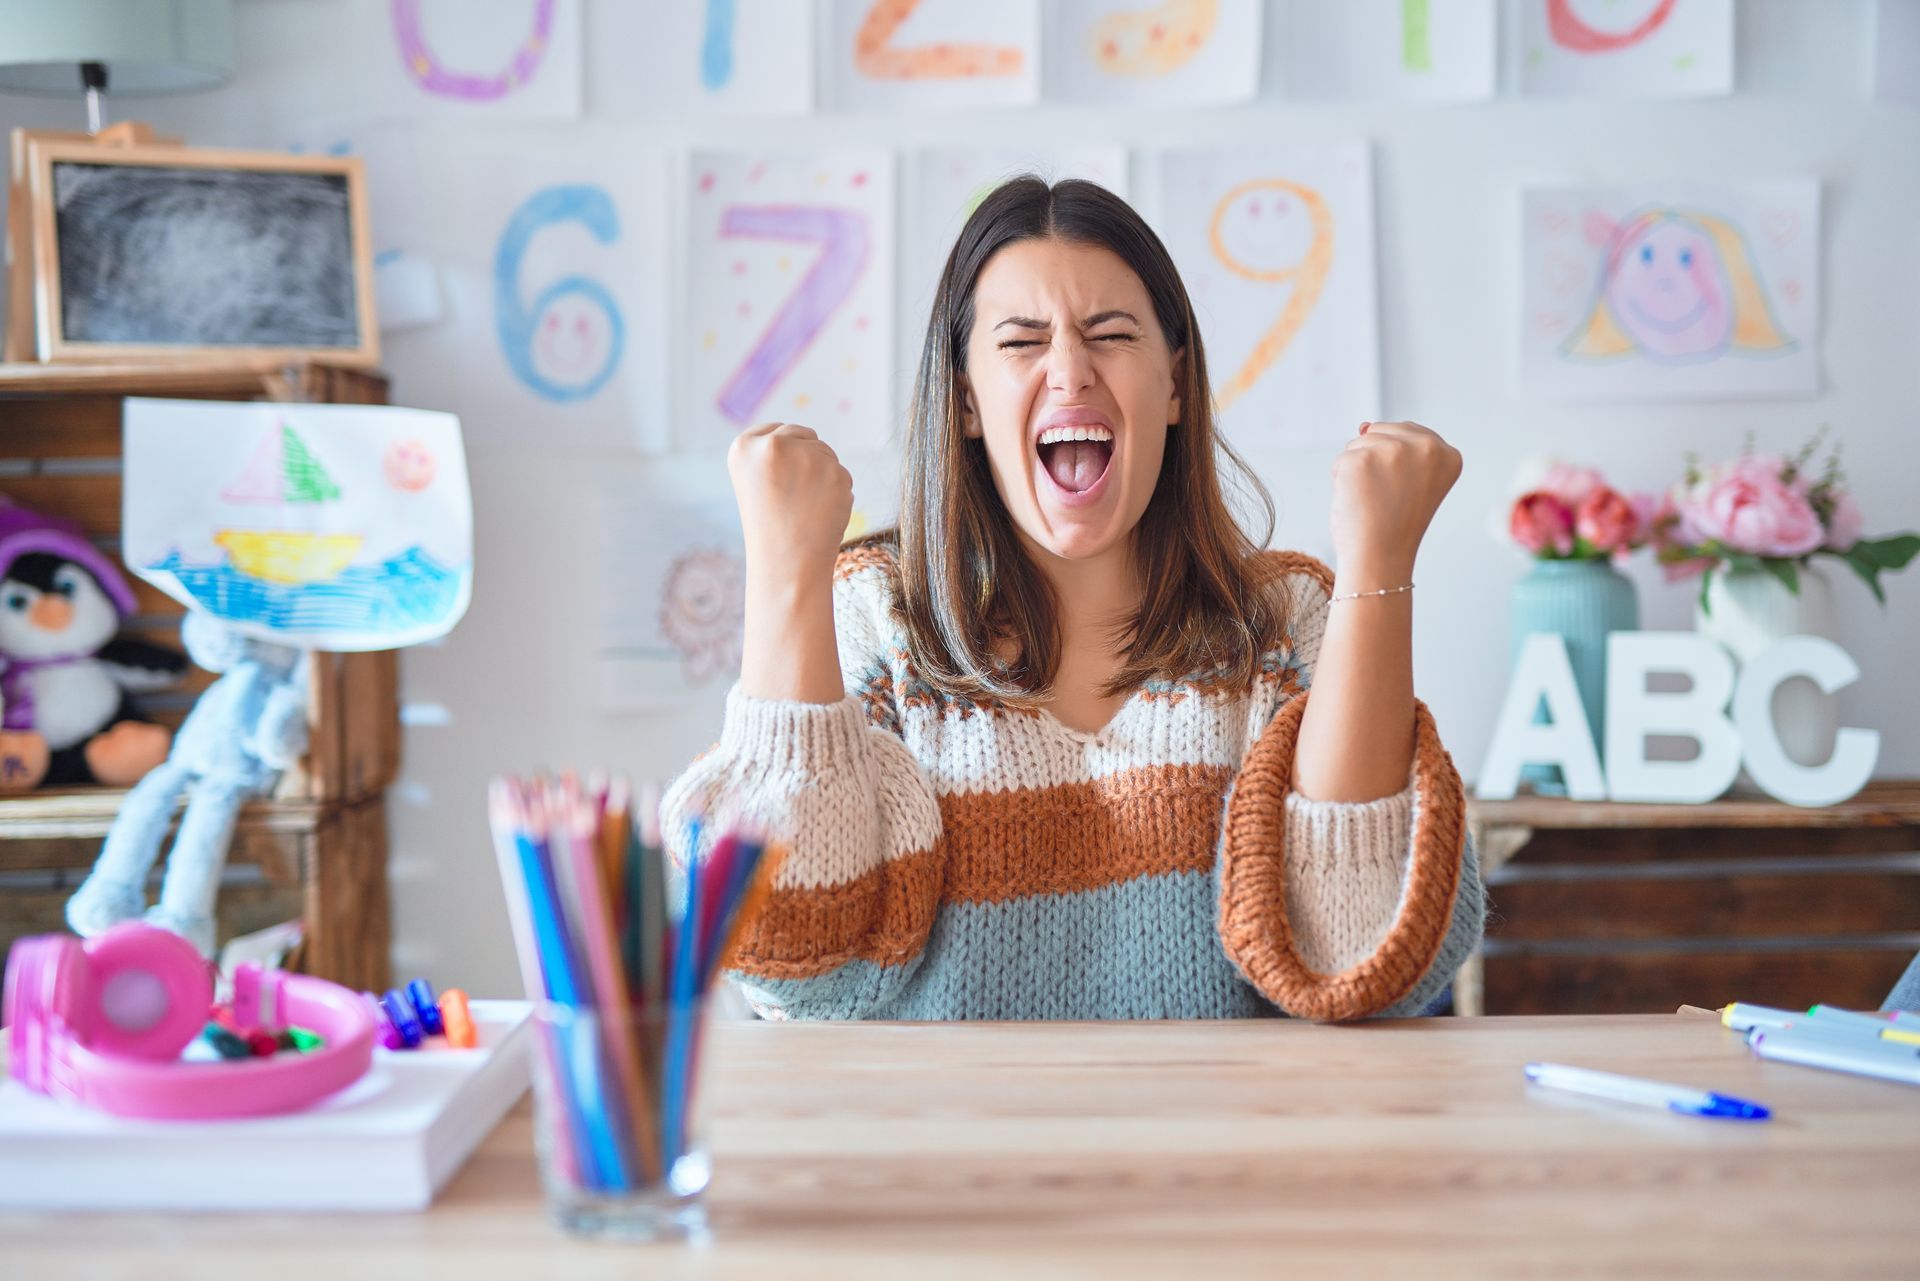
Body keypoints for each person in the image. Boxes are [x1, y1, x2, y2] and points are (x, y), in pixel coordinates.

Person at [662, 176, 1483, 1021]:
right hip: (943, 1151)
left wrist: (1379, 560)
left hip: (1222, 1150)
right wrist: (782, 569)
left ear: (1172, 385)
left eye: (1111, 333)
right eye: (1022, 341)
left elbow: (1361, 960)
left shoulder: (1284, 625)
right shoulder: (877, 620)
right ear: (969, 400)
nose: (1069, 369)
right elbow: (788, 956)